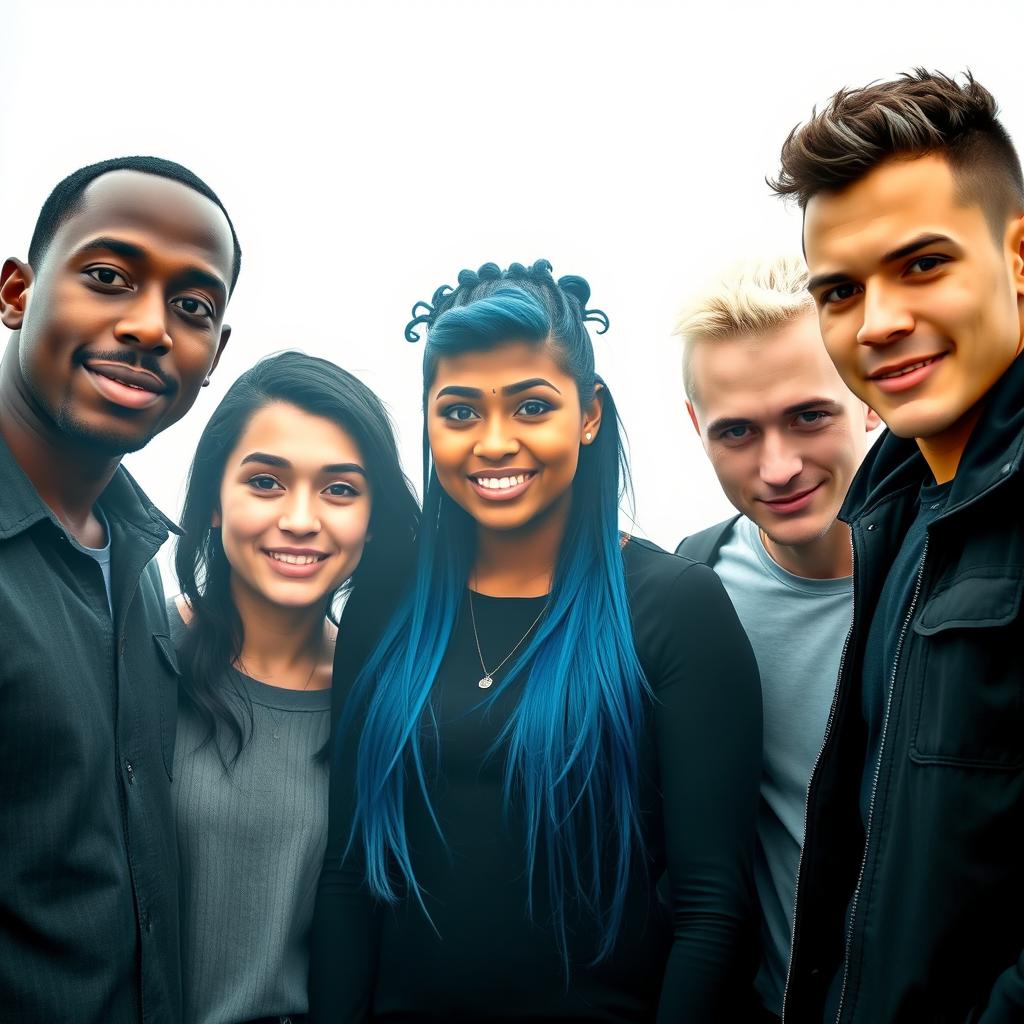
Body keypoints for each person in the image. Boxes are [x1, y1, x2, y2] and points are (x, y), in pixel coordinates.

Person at [309, 259, 762, 1023]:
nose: (493, 442)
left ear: (588, 415)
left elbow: (712, 908)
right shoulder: (385, 603)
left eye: (530, 406)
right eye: (458, 412)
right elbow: (349, 874)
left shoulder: (674, 607)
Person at [769, 70, 1024, 1023]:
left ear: (1018, 256)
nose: (877, 322)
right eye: (840, 290)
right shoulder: (900, 513)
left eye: (922, 265)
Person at [0, 156, 239, 1023]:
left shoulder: (142, 573)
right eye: (107, 278)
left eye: (192, 308)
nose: (149, 327)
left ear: (216, 355)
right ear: (18, 292)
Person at [169, 351, 418, 1024]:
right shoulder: (141, 652)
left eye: (340, 489)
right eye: (266, 482)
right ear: (215, 503)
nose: (302, 518)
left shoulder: (388, 701)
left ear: (373, 517)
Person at [674, 256, 878, 1023]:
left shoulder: (963, 581)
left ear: (867, 397)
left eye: (808, 416)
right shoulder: (689, 593)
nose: (779, 466)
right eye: (737, 431)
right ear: (697, 429)